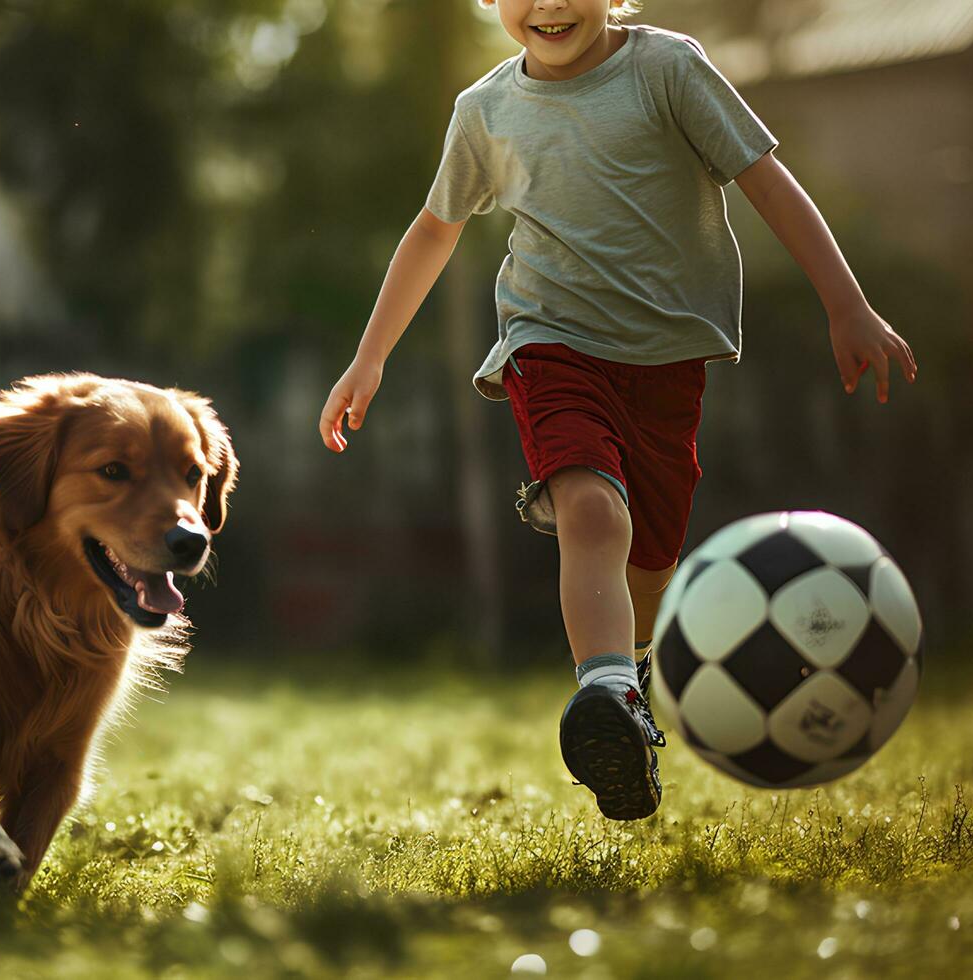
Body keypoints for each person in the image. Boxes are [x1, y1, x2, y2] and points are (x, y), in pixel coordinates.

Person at [316, 0, 917, 820]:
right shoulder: (483, 110)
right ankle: (604, 693)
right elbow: (432, 229)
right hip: (549, 345)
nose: (549, 5)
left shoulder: (667, 69)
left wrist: (845, 305)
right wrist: (369, 355)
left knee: (652, 563)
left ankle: (625, 691)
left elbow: (764, 179)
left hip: (666, 365)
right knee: (592, 511)